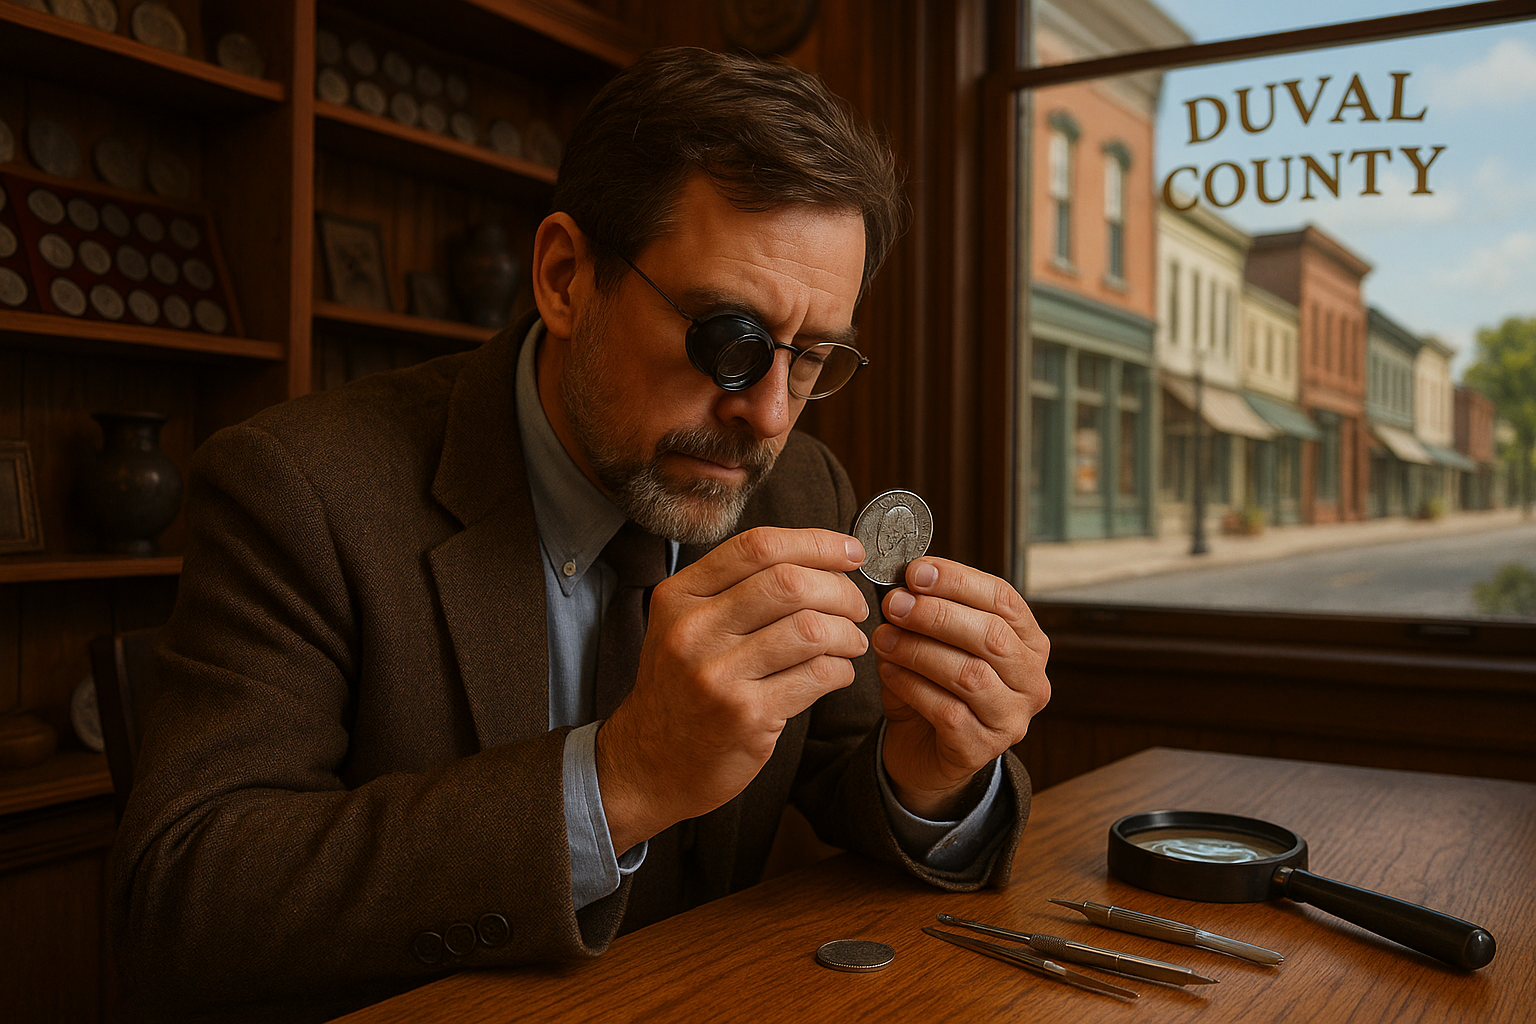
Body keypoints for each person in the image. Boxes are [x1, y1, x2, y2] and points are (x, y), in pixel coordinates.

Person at [110, 47, 1051, 1024]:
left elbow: (843, 768)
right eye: (730, 341)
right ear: (565, 277)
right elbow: (184, 903)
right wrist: (620, 777)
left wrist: (932, 773)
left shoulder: (803, 485)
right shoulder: (302, 487)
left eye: (812, 358)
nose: (772, 415)